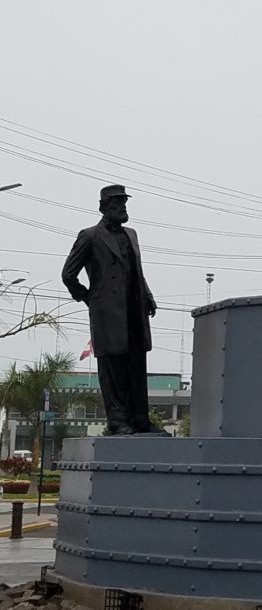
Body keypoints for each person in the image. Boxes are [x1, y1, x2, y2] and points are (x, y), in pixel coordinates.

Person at [62, 184, 166, 435]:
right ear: (103, 207)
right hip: (108, 314)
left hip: (134, 310)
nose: (122, 208)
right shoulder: (89, 236)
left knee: (136, 365)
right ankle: (118, 420)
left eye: (123, 203)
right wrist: (90, 299)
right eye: (116, 204)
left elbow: (136, 270)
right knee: (113, 368)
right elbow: (68, 274)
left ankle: (140, 419)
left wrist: (148, 296)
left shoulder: (132, 234)